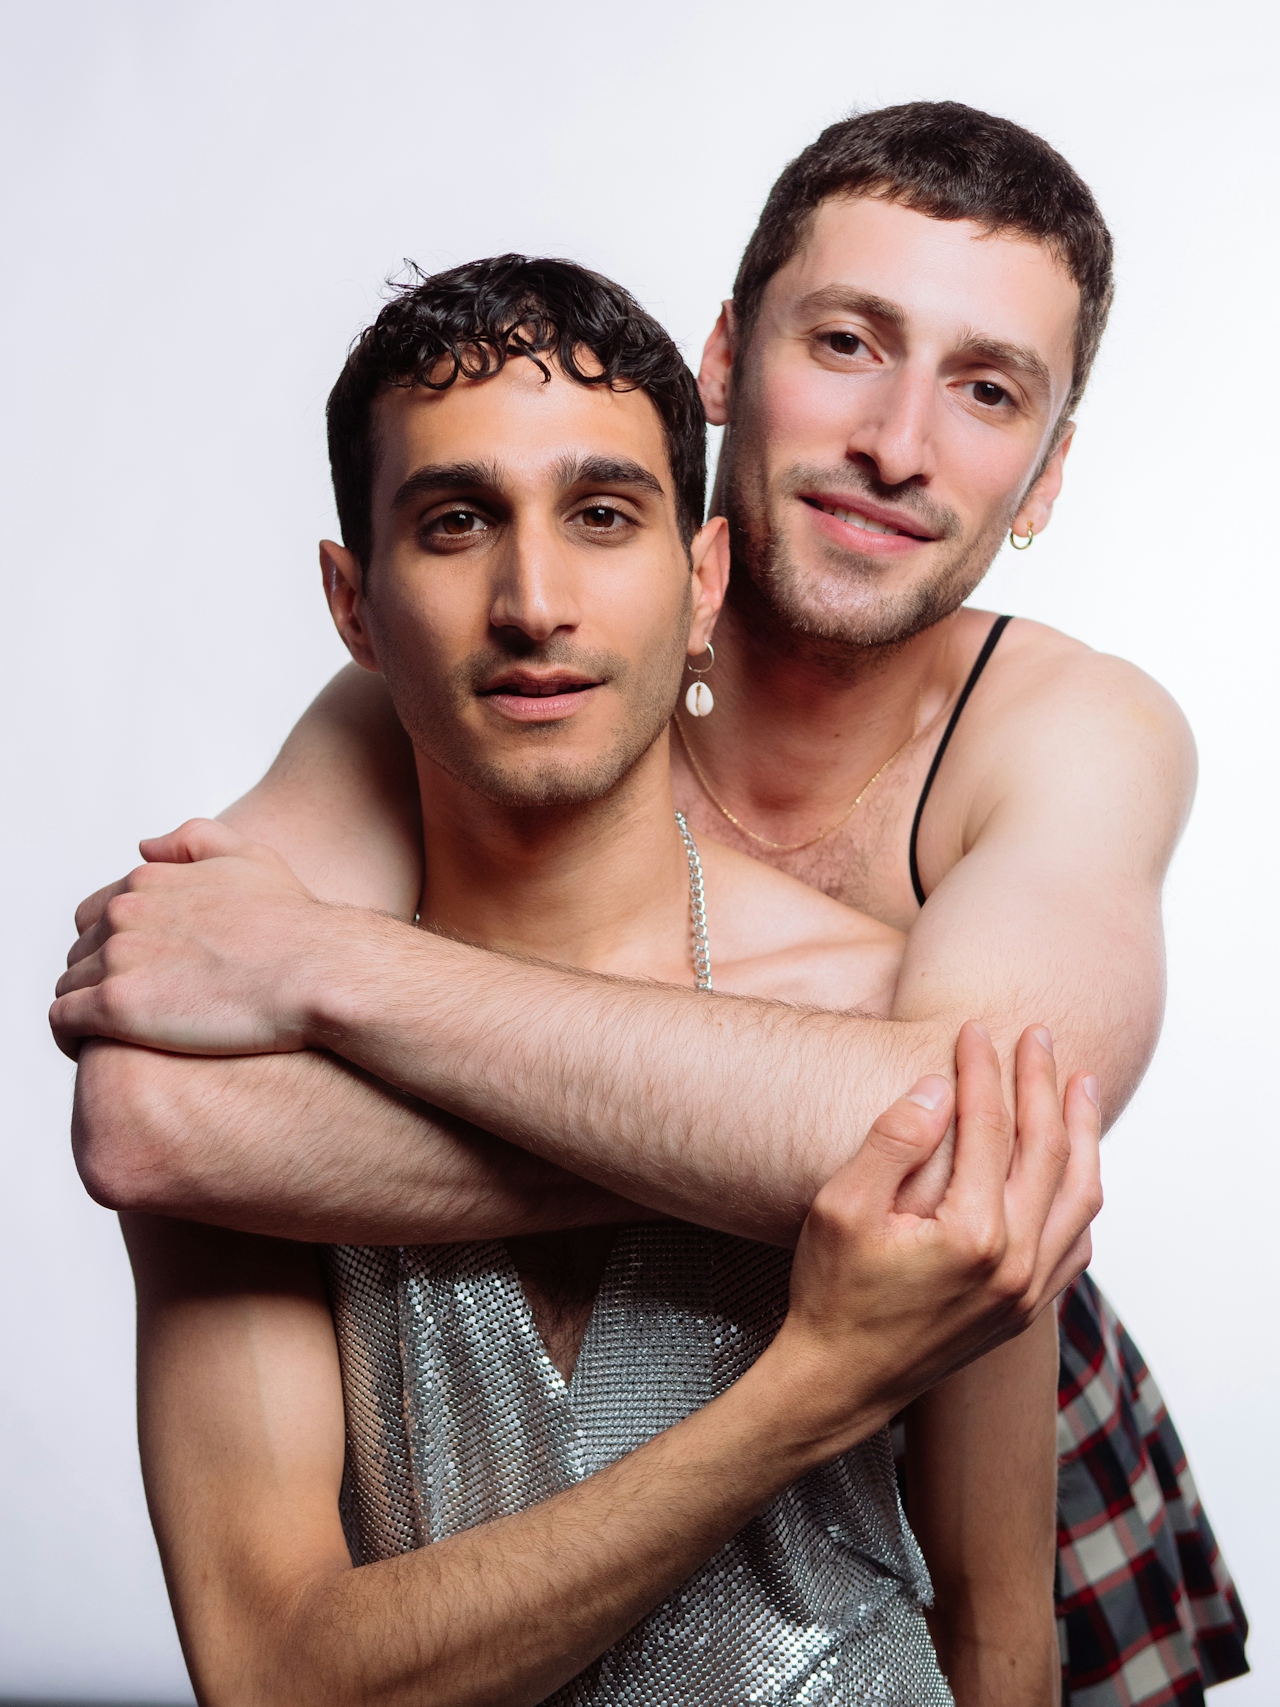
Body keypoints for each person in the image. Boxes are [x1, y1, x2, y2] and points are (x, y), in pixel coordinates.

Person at [58, 104, 1247, 1700]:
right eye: (847, 341)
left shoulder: (1069, 731)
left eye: (987, 392)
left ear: (1042, 475)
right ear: (727, 356)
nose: (900, 442)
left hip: (971, 1336)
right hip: (639, 1405)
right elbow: (155, 1117)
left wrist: (325, 970)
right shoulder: (484, 670)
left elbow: (989, 1159)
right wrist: (805, 1129)